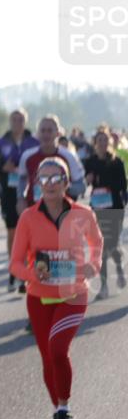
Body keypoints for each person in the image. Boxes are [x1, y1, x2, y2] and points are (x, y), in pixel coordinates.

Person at [9, 157, 103, 419]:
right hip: (38, 297)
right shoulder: (28, 217)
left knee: (58, 348)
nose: (49, 184)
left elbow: (96, 244)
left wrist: (92, 265)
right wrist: (35, 275)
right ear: (37, 184)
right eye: (44, 179)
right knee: (49, 358)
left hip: (73, 294)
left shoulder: (83, 214)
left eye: (55, 178)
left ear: (66, 181)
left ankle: (64, 409)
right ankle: (58, 408)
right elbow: (14, 264)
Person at [0, 108, 39, 292]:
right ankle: (14, 271)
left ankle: (28, 270)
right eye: (14, 119)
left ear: (25, 121)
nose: (17, 123)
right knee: (12, 231)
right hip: (9, 193)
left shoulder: (33, 141)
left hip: (30, 192)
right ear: (10, 122)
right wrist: (3, 166)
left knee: (31, 233)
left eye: (20, 119)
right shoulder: (1, 142)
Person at [84, 126, 127, 299]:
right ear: (95, 143)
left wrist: (109, 186)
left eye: (105, 140)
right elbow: (85, 183)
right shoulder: (90, 162)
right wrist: (89, 180)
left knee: (113, 244)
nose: (102, 143)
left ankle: (119, 267)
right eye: (99, 140)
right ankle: (103, 286)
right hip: (97, 209)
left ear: (109, 142)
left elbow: (123, 186)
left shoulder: (117, 162)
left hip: (115, 207)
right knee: (100, 246)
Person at [17, 114, 86, 209]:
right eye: (43, 131)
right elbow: (22, 180)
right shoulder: (27, 156)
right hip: (35, 209)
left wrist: (60, 186)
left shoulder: (69, 156)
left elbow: (81, 186)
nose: (46, 135)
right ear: (37, 134)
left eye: (50, 131)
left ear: (58, 133)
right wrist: (20, 199)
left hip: (63, 211)